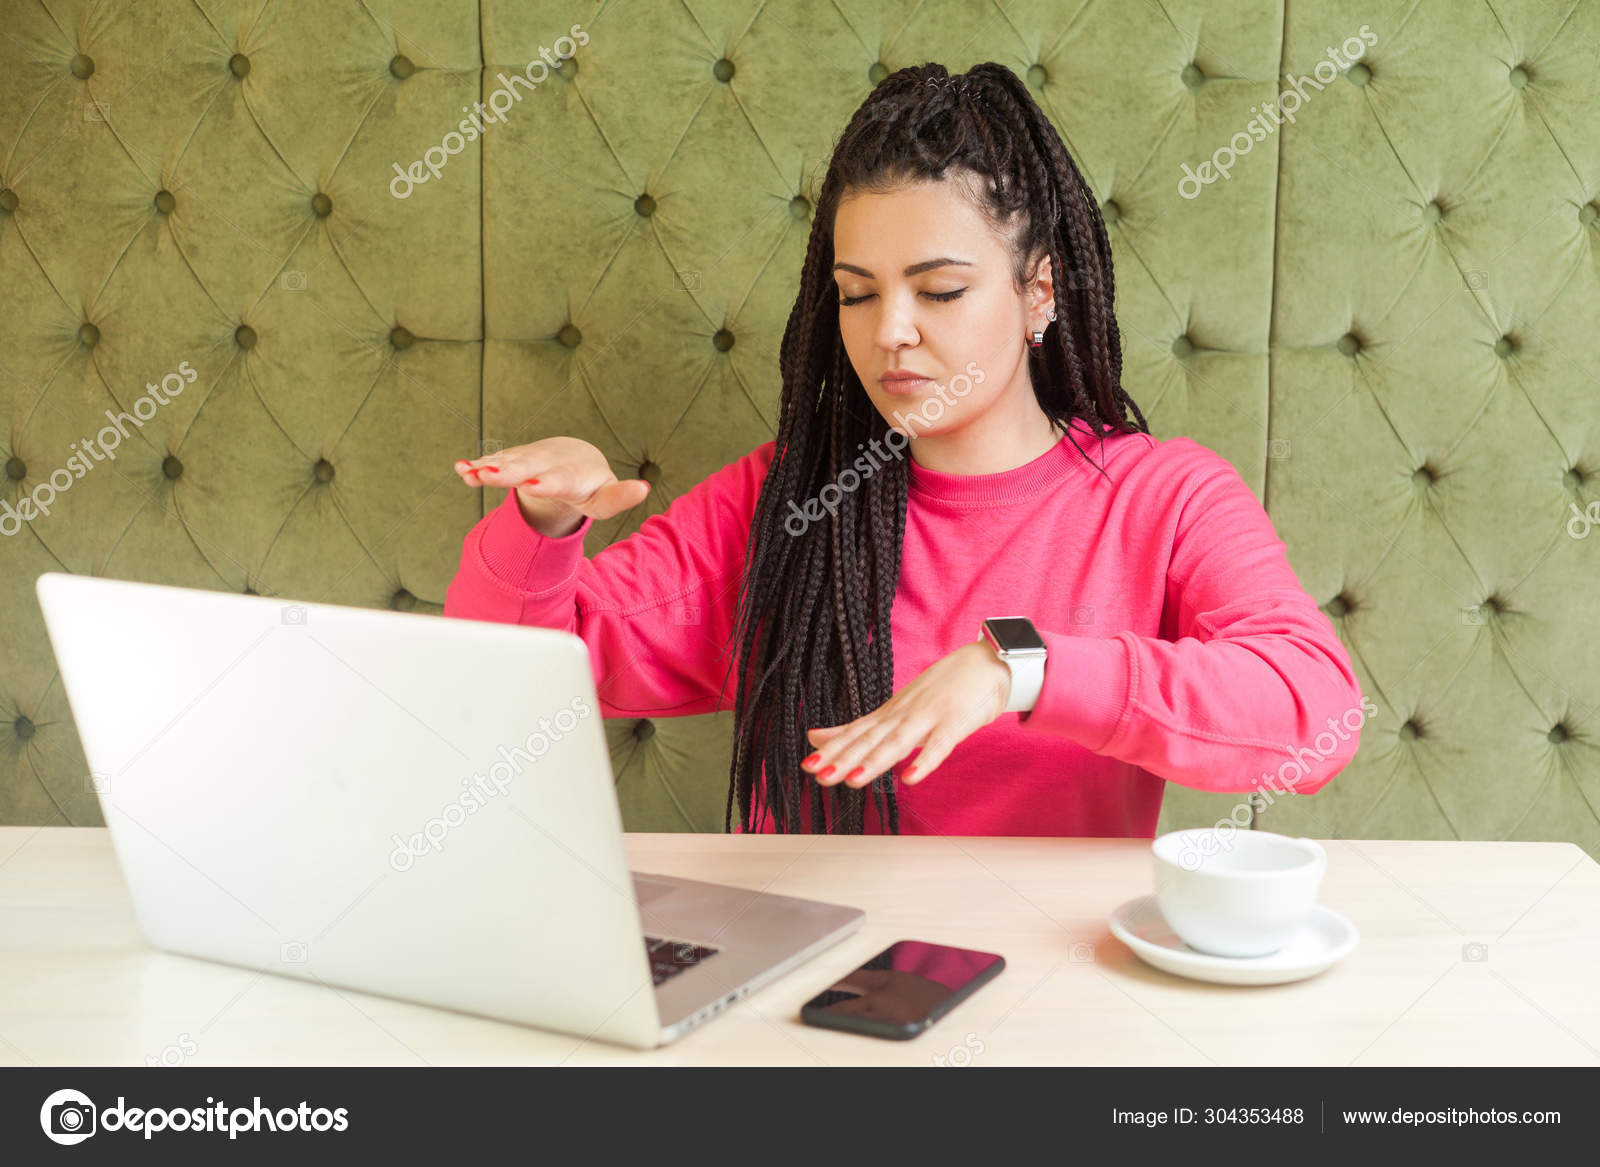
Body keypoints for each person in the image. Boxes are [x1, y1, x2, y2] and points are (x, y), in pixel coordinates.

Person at [444, 62, 1363, 837]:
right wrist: (543, 520)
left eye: (940, 291)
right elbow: (510, 679)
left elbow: (1315, 709)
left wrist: (1022, 669)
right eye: (857, 294)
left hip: (1051, 994)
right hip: (813, 990)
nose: (890, 332)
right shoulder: (787, 497)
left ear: (1038, 291)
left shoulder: (1162, 497)